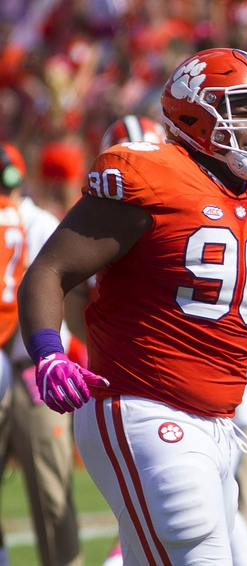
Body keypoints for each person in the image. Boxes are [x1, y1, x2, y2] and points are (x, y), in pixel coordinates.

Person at [16, 48, 247, 565]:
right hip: (141, 407)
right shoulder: (148, 175)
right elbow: (50, 271)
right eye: (246, 108)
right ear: (194, 111)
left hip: (219, 423)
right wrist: (49, 352)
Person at [0, 141, 81, 566]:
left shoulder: (42, 223)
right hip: (27, 366)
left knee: (53, 497)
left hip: (35, 370)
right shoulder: (37, 220)